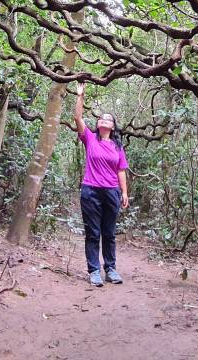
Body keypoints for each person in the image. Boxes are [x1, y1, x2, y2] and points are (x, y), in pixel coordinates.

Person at [74, 82, 129, 287]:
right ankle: (94, 270)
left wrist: (124, 193)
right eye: (101, 118)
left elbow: (121, 170)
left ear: (113, 127)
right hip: (91, 191)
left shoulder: (117, 146)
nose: (103, 120)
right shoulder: (90, 139)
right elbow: (78, 118)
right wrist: (80, 96)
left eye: (108, 119)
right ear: (97, 124)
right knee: (93, 233)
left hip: (112, 193)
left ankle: (111, 269)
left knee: (109, 233)